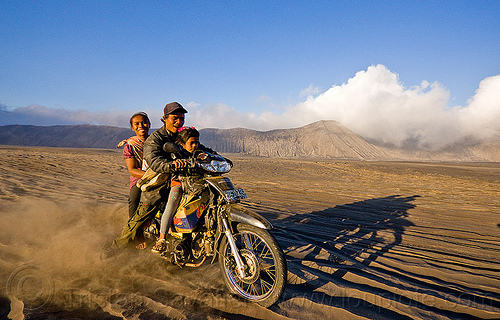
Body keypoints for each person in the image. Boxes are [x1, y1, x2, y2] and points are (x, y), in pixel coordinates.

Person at [113, 102, 215, 249]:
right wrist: (169, 165)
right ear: (165, 118)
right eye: (175, 118)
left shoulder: (182, 135)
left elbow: (199, 147)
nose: (179, 121)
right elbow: (153, 159)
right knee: (139, 218)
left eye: (181, 118)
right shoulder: (155, 138)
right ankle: (117, 246)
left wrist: (216, 157)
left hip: (185, 180)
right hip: (159, 183)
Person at [151, 127, 201, 253]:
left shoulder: (198, 151)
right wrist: (177, 163)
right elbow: (169, 162)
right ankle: (161, 239)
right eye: (192, 143)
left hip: (197, 183)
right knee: (172, 204)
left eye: (197, 142)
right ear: (182, 143)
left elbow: (210, 153)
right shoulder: (177, 153)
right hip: (180, 182)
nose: (195, 145)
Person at [117, 112, 151, 218]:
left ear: (149, 124)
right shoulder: (130, 145)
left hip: (160, 175)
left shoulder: (156, 141)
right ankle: (132, 229)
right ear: (132, 127)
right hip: (139, 178)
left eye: (144, 122)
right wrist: (150, 176)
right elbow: (132, 170)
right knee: (134, 201)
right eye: (136, 124)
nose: (140, 126)